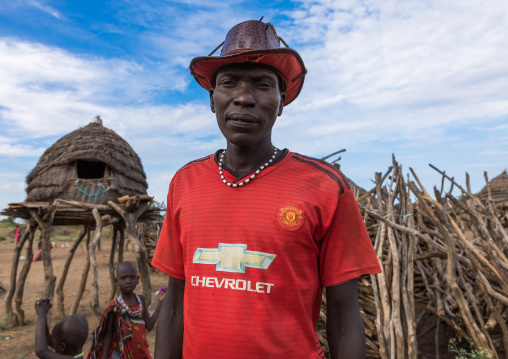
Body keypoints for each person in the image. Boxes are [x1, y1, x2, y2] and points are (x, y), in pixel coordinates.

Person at [152, 19, 382, 359]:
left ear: (282, 101)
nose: (244, 98)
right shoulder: (184, 182)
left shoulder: (324, 186)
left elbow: (345, 316)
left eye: (262, 85)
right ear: (212, 100)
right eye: (229, 83)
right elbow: (173, 305)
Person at [87, 261, 166, 359]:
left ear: (137, 280)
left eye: (132, 277)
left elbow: (149, 326)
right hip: (122, 356)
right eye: (123, 278)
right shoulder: (114, 308)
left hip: (141, 354)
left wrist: (160, 303)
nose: (128, 281)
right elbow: (108, 336)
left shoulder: (140, 300)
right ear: (116, 281)